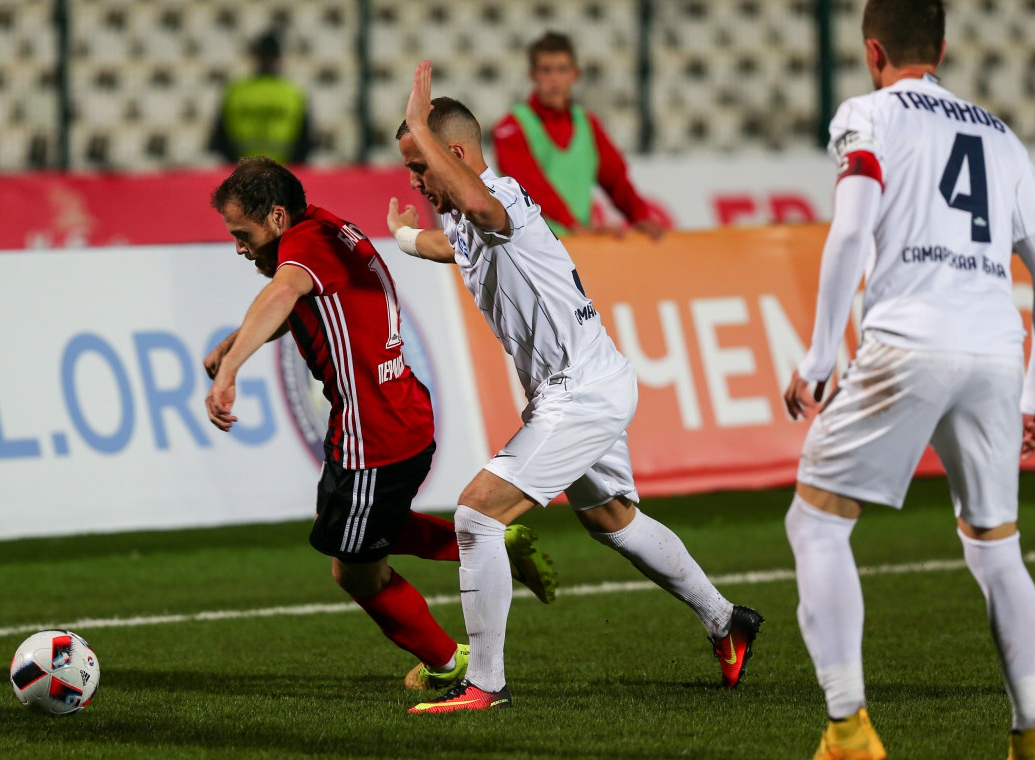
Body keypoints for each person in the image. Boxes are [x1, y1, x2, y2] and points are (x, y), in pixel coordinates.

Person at [388, 62, 763, 715]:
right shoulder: (467, 218)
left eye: (420, 166)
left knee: (476, 515)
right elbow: (453, 245)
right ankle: (726, 621)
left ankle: (486, 685)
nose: (416, 183)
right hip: (585, 382)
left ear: (456, 155)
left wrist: (419, 123)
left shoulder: (499, 199)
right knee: (611, 520)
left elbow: (481, 211)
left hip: (581, 390)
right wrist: (402, 237)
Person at [781, 0, 1035, 760]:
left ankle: (848, 724)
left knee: (816, 522)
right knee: (997, 549)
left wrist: (819, 355)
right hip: (996, 352)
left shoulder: (868, 115)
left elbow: (850, 231)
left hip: (909, 341)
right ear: (941, 49)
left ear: (872, 50)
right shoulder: (1001, 135)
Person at [203, 157, 557, 694]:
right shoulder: (326, 227)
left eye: (242, 235)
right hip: (395, 414)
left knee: (354, 568)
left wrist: (230, 369)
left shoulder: (304, 248)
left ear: (276, 217)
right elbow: (301, 304)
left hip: (374, 434)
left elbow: (282, 294)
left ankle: (448, 661)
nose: (239, 248)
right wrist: (233, 346)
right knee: (352, 525)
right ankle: (489, 540)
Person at [492, 32, 664, 238]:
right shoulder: (511, 127)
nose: (554, 78)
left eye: (562, 69)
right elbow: (528, 186)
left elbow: (616, 180)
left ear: (575, 74)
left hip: (577, 242)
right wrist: (573, 225)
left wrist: (641, 216)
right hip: (529, 244)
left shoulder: (588, 124)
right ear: (533, 75)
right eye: (546, 70)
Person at [208, 31, 311, 165]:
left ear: (256, 56)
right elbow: (305, 145)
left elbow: (219, 142)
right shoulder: (293, 93)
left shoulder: (236, 92)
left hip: (243, 172)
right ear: (278, 57)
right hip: (281, 171)